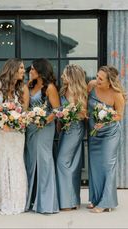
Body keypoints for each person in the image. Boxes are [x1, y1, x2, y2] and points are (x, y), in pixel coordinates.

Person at [0, 58, 29, 215]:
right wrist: (1, 122)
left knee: (16, 161)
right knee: (1, 161)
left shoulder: (23, 88)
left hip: (17, 133)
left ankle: (18, 200)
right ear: (12, 69)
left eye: (23, 68)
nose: (23, 71)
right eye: (20, 68)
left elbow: (24, 112)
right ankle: (3, 199)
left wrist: (16, 122)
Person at [87, 65, 125, 213]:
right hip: (94, 132)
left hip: (110, 134)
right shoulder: (91, 85)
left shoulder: (116, 95)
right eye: (97, 76)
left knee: (107, 166)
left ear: (110, 82)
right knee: (95, 165)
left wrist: (105, 121)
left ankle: (106, 202)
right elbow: (84, 103)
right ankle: (96, 198)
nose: (97, 80)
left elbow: (119, 115)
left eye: (101, 79)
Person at [24, 58, 60, 214]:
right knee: (31, 161)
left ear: (40, 71)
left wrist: (44, 120)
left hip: (45, 128)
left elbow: (57, 110)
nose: (29, 71)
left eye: (32, 69)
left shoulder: (50, 87)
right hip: (31, 128)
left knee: (44, 161)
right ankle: (32, 199)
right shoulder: (29, 85)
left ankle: (46, 203)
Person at [56, 64, 87, 210]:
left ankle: (67, 202)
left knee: (63, 162)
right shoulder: (63, 91)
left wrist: (71, 112)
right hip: (64, 130)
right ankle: (72, 200)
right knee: (71, 164)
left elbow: (83, 115)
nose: (62, 76)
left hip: (75, 129)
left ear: (72, 76)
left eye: (64, 74)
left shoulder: (80, 92)